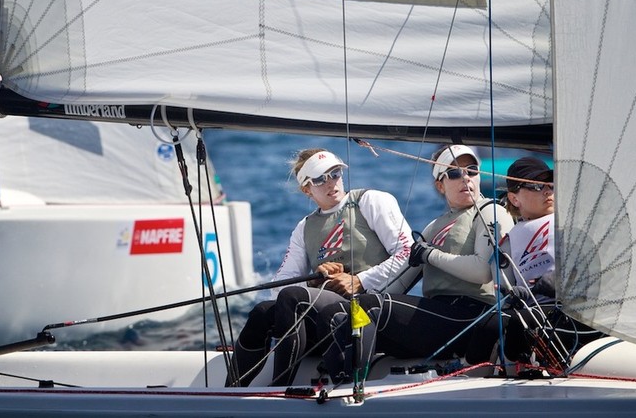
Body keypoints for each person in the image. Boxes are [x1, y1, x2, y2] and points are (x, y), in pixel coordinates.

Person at [227, 148, 415, 387]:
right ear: (307, 189)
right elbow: (279, 285)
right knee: (262, 312)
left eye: (335, 174)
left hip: (367, 308)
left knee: (293, 296)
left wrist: (360, 280)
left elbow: (409, 252)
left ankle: (279, 388)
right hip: (324, 311)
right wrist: (312, 281)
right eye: (319, 179)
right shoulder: (304, 228)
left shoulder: (370, 201)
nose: (331, 183)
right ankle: (230, 389)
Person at [325, 144, 515, 381]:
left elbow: (482, 272)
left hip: (471, 317)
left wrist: (430, 255)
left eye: (472, 170)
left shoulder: (491, 211)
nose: (465, 177)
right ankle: (327, 380)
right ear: (440, 185)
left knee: (370, 307)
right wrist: (353, 286)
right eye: (454, 173)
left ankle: (347, 386)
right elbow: (396, 285)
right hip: (436, 318)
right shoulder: (432, 227)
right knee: (347, 311)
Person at [495, 156, 603, 366]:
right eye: (536, 186)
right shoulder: (507, 242)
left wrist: (560, 281)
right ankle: (501, 377)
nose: (548, 191)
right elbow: (504, 287)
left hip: (578, 311)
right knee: (497, 326)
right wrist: (515, 295)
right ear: (514, 199)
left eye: (550, 184)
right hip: (537, 315)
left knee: (520, 323)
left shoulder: (574, 222)